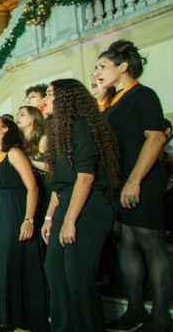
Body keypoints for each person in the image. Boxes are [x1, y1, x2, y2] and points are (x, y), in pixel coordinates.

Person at [98, 40, 173, 332]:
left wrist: (133, 181)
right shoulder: (115, 101)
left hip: (140, 181)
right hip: (120, 184)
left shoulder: (143, 95)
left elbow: (154, 139)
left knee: (151, 246)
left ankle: (161, 317)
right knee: (126, 244)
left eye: (103, 66)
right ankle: (135, 308)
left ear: (123, 67)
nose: (98, 72)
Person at [39, 79, 121, 332]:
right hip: (67, 205)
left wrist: (70, 221)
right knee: (54, 271)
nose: (44, 100)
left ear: (65, 99)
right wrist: (50, 218)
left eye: (50, 94)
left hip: (89, 208)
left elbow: (85, 178)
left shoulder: (81, 126)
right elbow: (60, 183)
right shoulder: (58, 133)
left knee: (77, 278)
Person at [0, 118, 49, 331]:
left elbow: (32, 188)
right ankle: (4, 317)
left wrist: (28, 219)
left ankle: (23, 321)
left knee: (14, 264)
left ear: (5, 130)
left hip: (15, 212)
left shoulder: (14, 153)